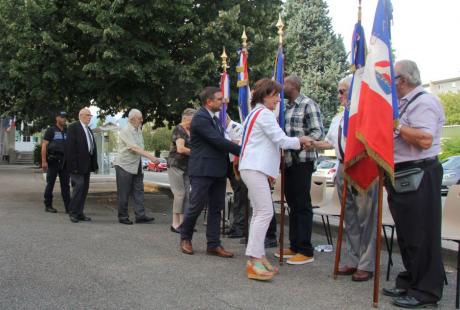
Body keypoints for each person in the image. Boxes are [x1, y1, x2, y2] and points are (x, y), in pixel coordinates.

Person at [382, 60, 445, 308]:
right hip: (404, 173)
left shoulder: (424, 103)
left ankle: (426, 291)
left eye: (391, 80)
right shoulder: (405, 104)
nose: (389, 85)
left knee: (421, 233)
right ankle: (411, 281)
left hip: (419, 173)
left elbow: (425, 139)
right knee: (408, 234)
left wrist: (396, 125)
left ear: (403, 80)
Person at [239, 78, 312, 281]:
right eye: (275, 95)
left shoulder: (255, 113)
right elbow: (281, 140)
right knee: (265, 212)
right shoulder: (265, 114)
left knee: (260, 213)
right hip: (255, 167)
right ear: (265, 95)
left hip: (252, 166)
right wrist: (301, 140)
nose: (278, 99)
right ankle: (254, 260)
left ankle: (258, 257)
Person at [311, 76, 378, 281]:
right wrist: (310, 142)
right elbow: (330, 143)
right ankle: (353, 259)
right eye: (339, 91)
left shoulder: (366, 112)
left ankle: (366, 264)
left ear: (355, 90)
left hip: (362, 166)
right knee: (349, 218)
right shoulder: (340, 117)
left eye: (343, 91)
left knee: (366, 218)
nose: (339, 95)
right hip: (343, 167)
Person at [179, 87, 240, 258]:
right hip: (203, 170)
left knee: (216, 208)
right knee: (196, 206)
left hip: (218, 170)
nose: (223, 102)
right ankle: (185, 238)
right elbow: (217, 141)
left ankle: (213, 245)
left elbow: (222, 140)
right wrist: (242, 150)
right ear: (209, 101)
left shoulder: (214, 119)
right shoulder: (200, 118)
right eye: (220, 99)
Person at [275, 75, 324, 265]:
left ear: (293, 86)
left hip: (303, 160)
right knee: (292, 204)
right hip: (287, 161)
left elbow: (318, 132)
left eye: (284, 84)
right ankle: (294, 246)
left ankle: (305, 249)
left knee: (302, 204)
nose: (281, 88)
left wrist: (299, 144)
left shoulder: (308, 104)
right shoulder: (285, 108)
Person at [114, 109, 158, 225]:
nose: (142, 120)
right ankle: (123, 217)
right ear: (132, 119)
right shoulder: (126, 130)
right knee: (124, 192)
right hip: (124, 165)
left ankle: (140, 216)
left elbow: (140, 147)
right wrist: (151, 157)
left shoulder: (138, 129)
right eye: (140, 118)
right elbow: (134, 148)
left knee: (139, 190)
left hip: (136, 164)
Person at [66, 108, 98, 223]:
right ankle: (73, 212)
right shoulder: (73, 128)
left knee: (84, 189)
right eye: (88, 115)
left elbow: (92, 149)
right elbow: (70, 149)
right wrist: (73, 167)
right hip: (76, 166)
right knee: (79, 186)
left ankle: (80, 213)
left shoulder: (88, 129)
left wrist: (95, 165)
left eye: (91, 115)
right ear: (81, 115)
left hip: (87, 165)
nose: (90, 117)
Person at [167, 108, 196, 232]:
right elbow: (180, 149)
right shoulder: (179, 129)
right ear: (185, 118)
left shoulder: (190, 131)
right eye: (192, 120)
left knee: (187, 195)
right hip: (176, 165)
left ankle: (184, 224)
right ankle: (175, 224)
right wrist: (196, 153)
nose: (194, 122)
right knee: (179, 194)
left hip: (186, 166)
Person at [224, 113, 248, 239]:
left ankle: (240, 227)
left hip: (237, 163)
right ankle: (235, 225)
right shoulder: (222, 129)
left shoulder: (236, 127)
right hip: (228, 163)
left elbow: (240, 144)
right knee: (237, 196)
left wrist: (225, 141)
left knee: (240, 196)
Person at [41, 111, 71, 213]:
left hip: (64, 162)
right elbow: (44, 146)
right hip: (53, 160)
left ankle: (69, 207)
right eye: (62, 117)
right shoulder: (51, 130)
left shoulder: (67, 130)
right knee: (50, 184)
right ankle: (48, 205)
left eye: (65, 117)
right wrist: (44, 161)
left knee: (66, 185)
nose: (64, 119)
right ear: (57, 118)